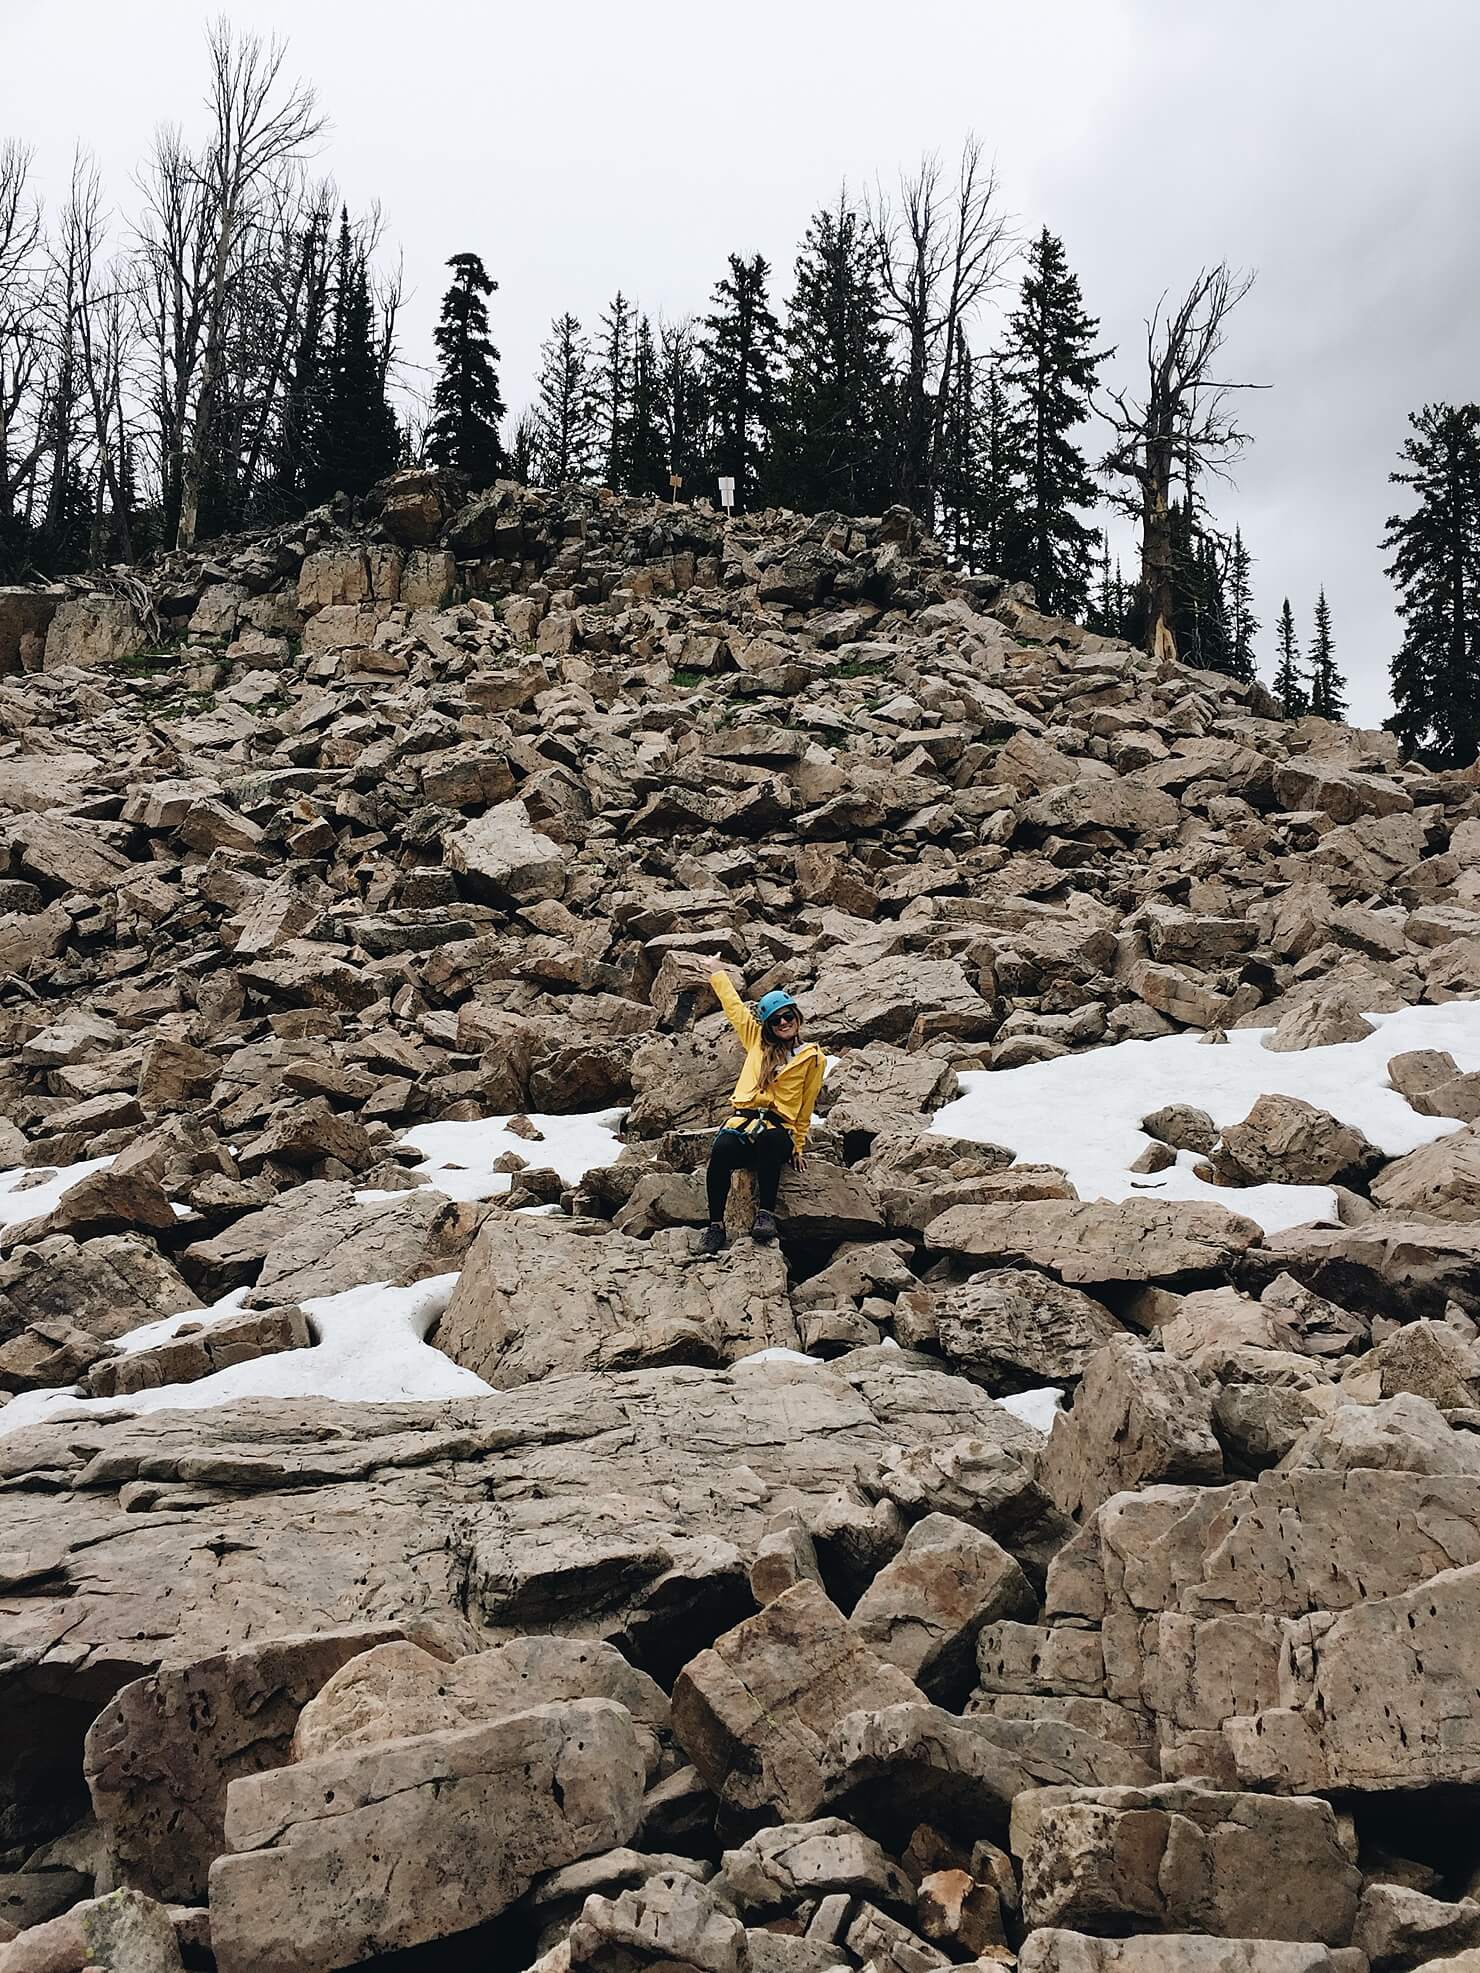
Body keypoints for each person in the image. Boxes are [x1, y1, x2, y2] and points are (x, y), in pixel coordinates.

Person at [702, 970, 825, 1255]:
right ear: (768, 1025)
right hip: (743, 1122)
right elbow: (734, 1008)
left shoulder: (813, 1058)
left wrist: (798, 1143)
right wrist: (716, 974)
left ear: (797, 1017)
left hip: (778, 1130)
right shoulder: (757, 1041)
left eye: (788, 1016)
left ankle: (765, 1214)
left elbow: (807, 1103)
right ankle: (715, 1226)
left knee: (771, 1142)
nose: (783, 1023)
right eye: (776, 1020)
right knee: (721, 1148)